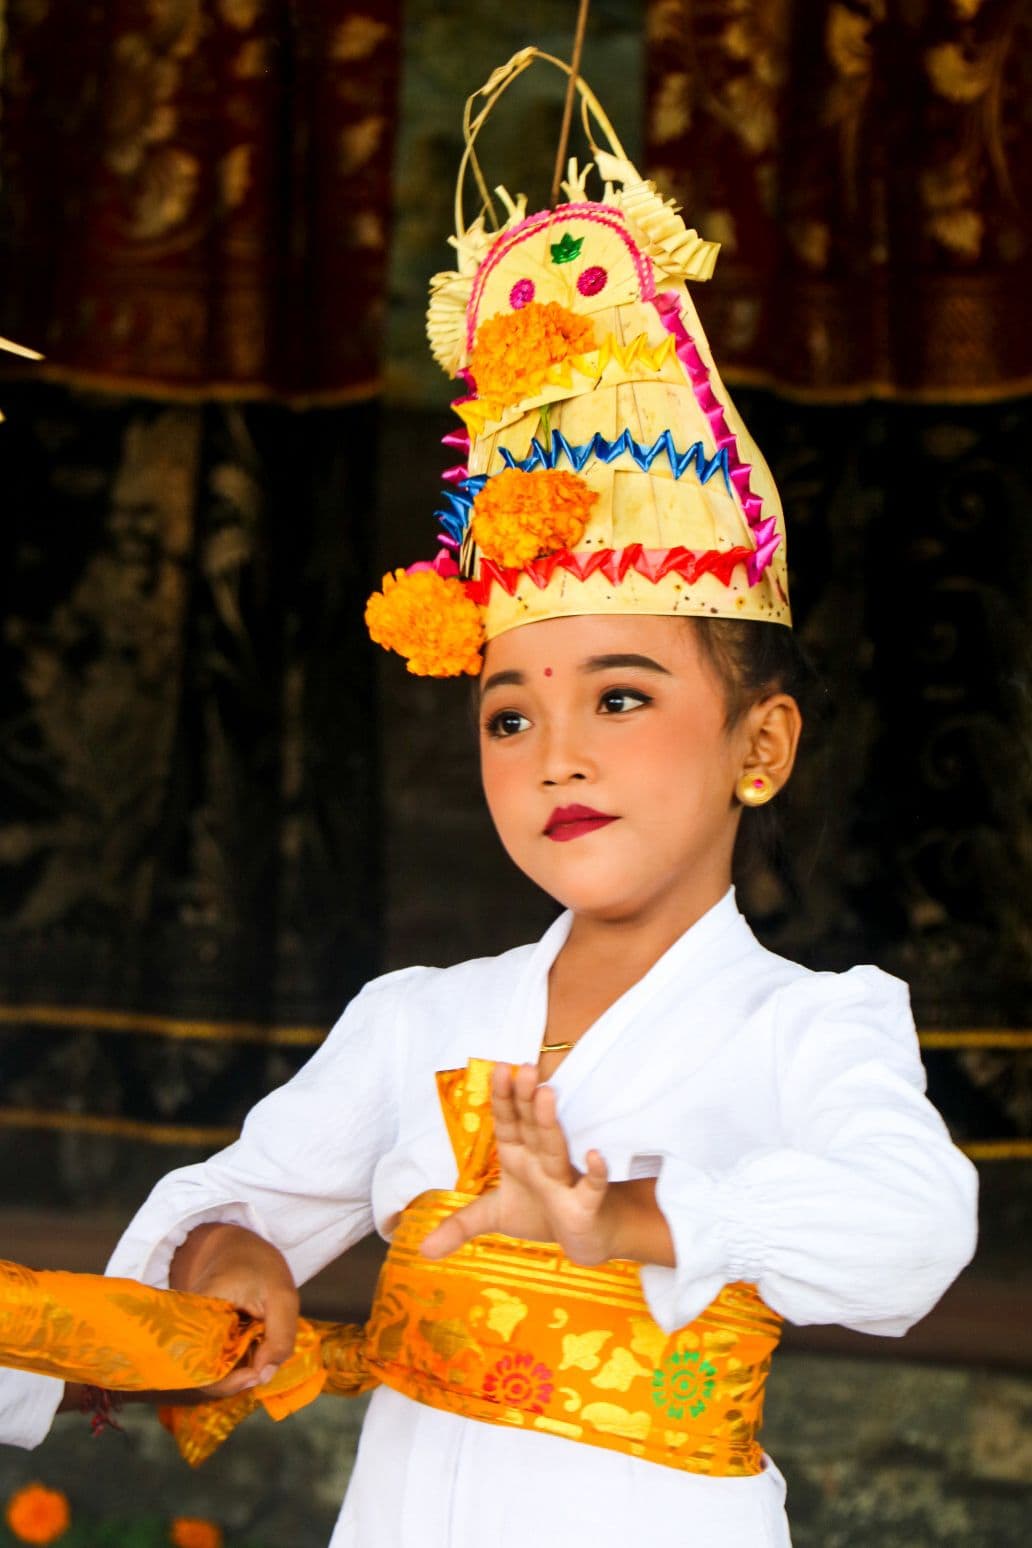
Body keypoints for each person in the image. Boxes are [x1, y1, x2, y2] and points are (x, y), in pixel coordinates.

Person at [13, 51, 979, 1548]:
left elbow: (915, 1232)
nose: (555, 756)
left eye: (621, 697)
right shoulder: (418, 1022)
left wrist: (618, 1221)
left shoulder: (811, 1027)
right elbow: (241, 1202)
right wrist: (233, 1264)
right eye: (509, 714)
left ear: (763, 746)